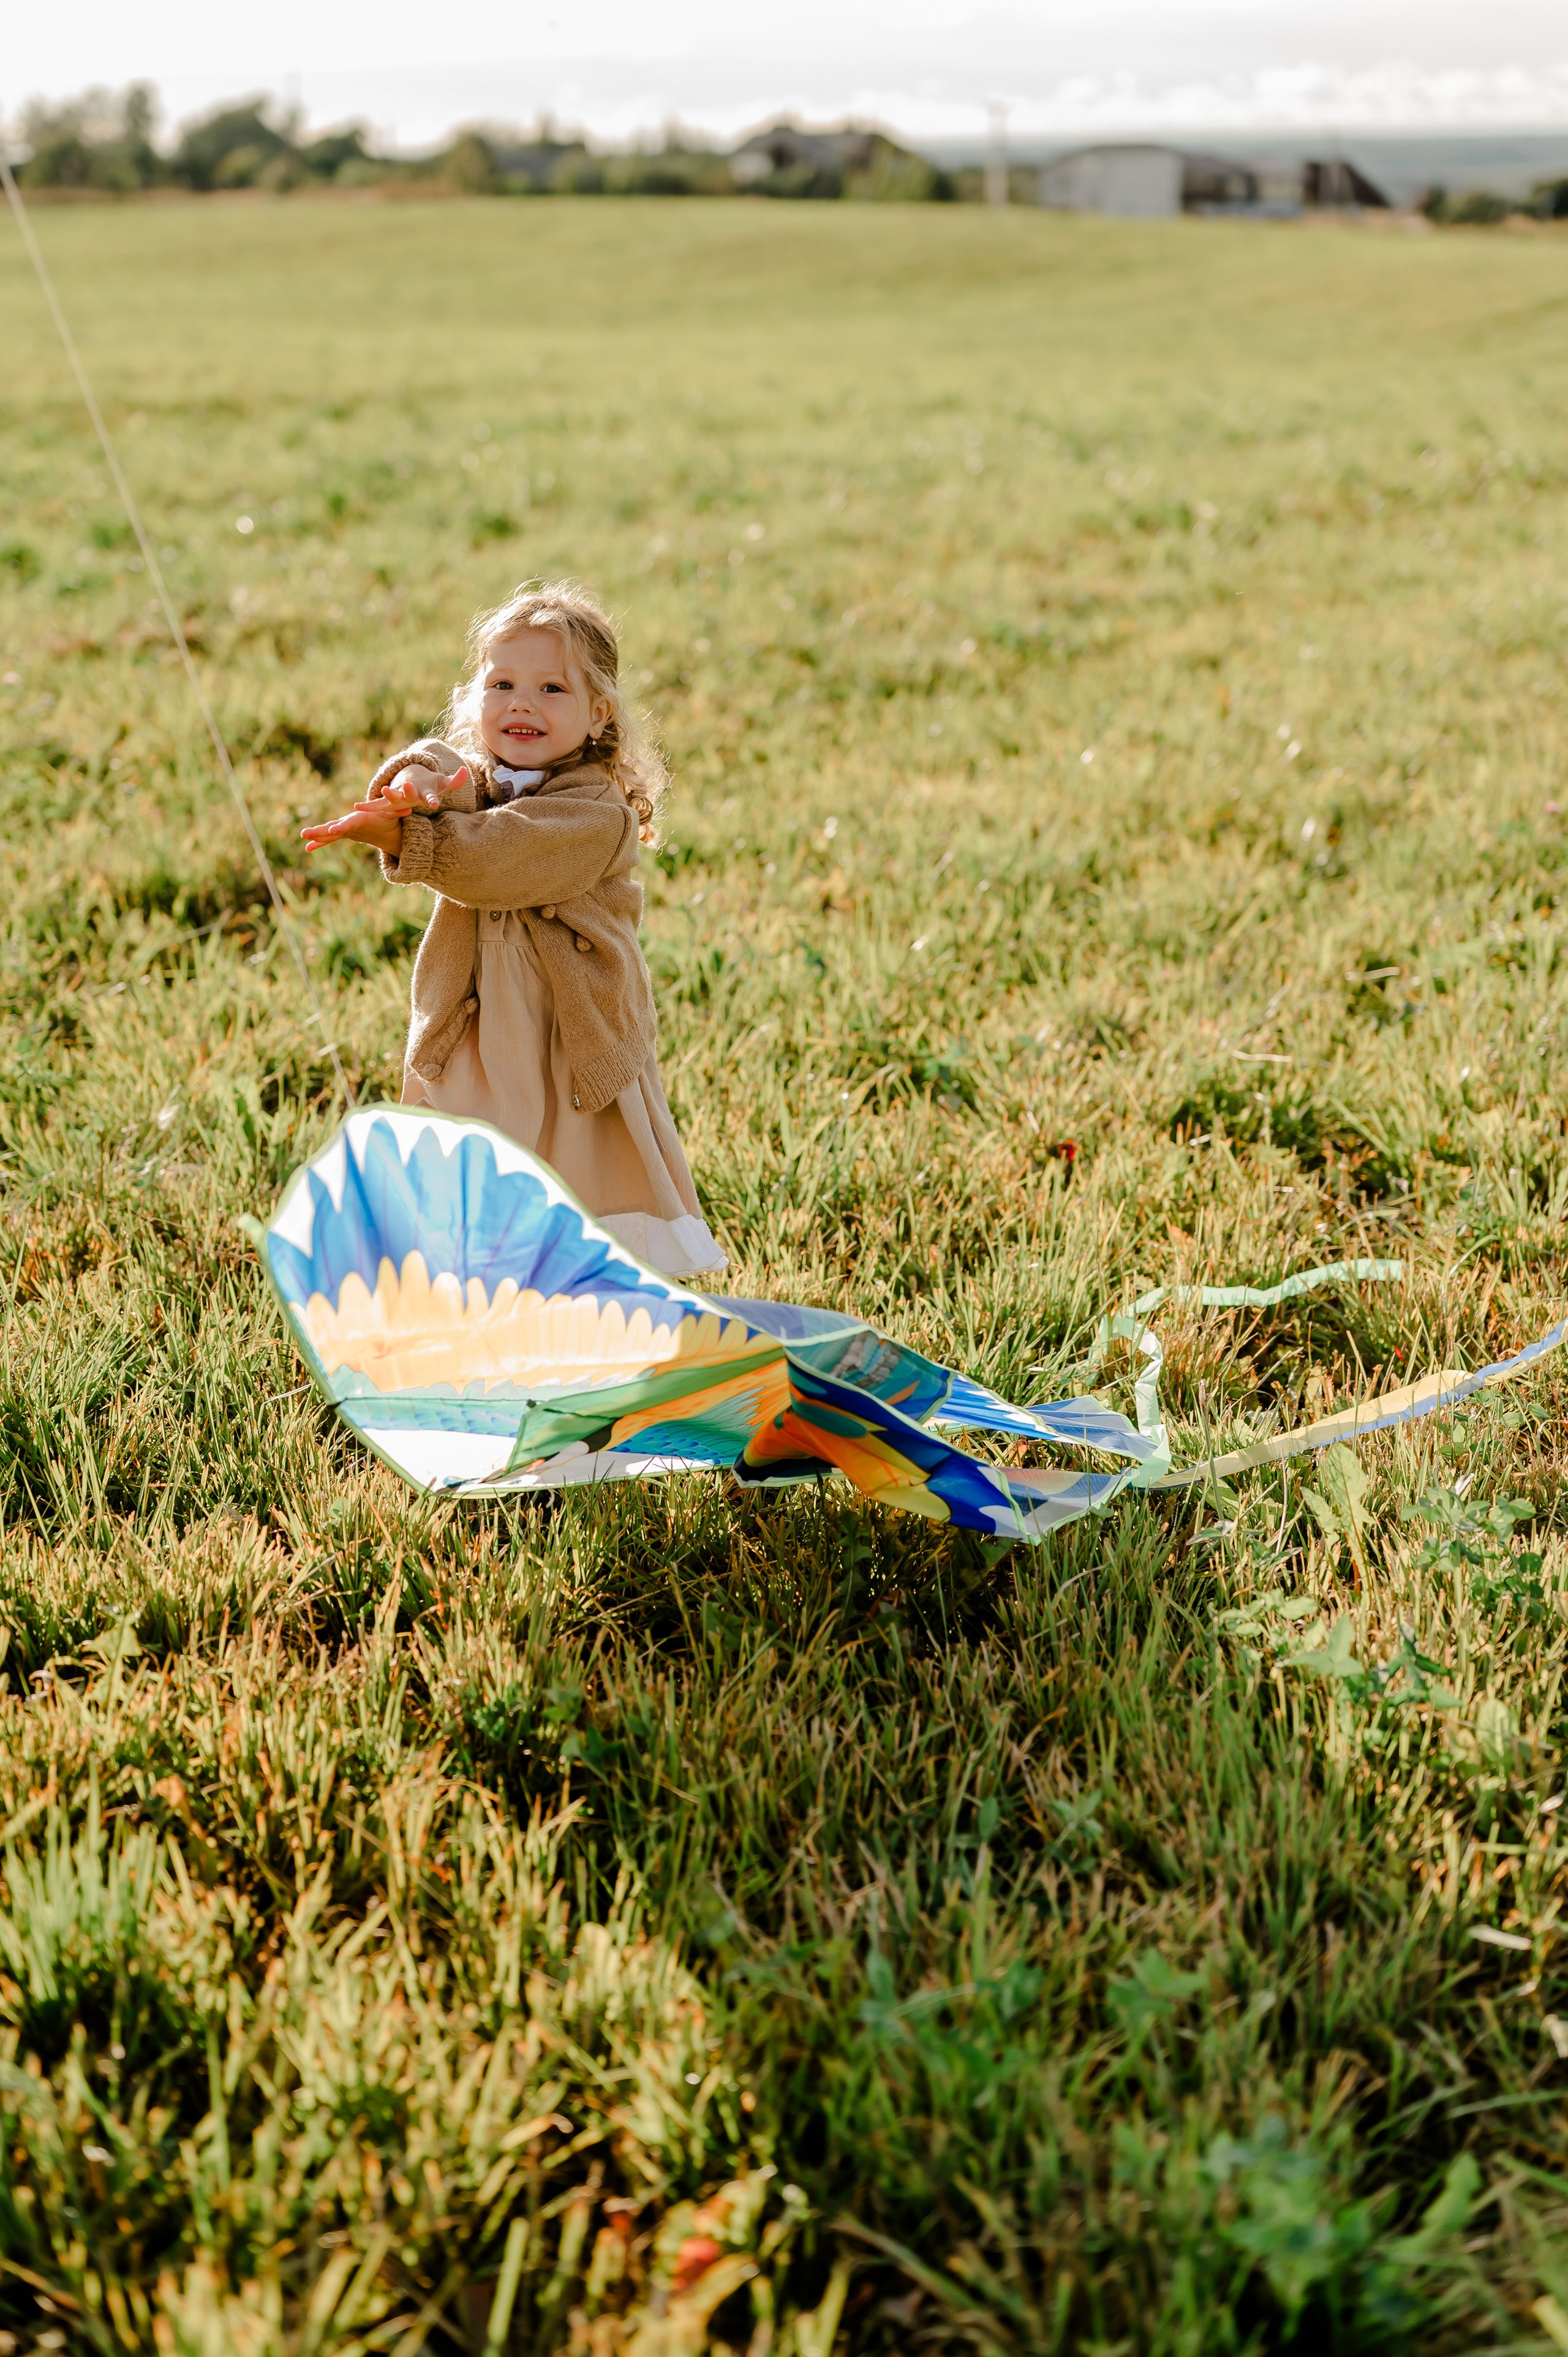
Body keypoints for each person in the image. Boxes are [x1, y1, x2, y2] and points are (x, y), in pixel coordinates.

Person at [301, 580, 726, 1280]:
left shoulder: (595, 815)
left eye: (551, 688)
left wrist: (419, 836)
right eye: (501, 683)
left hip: (566, 1042)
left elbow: (493, 855)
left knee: (571, 1183)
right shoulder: (484, 783)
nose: (522, 702)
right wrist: (413, 784)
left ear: (598, 716)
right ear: (477, 702)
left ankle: (587, 1311)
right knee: (476, 1172)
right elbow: (448, 770)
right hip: (475, 1036)